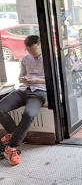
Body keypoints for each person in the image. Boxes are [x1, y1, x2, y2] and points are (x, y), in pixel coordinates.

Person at [0, 35, 46, 165]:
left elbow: (56, 80)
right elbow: (20, 77)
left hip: (40, 91)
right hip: (23, 89)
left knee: (28, 114)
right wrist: (23, 79)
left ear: (40, 45)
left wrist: (37, 80)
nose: (32, 53)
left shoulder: (50, 60)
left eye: (34, 50)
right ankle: (14, 133)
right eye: (29, 50)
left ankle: (12, 146)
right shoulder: (25, 59)